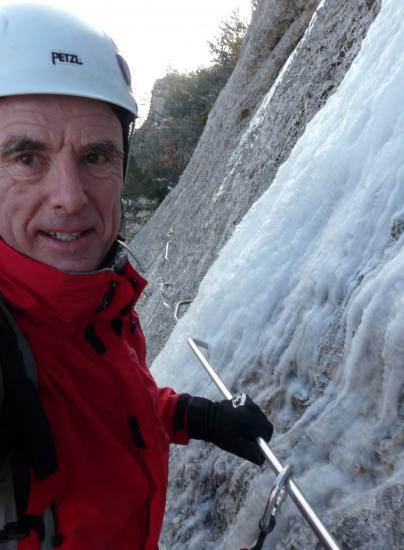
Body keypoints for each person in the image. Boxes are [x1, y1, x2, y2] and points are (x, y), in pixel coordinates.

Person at [0, 4, 273, 549]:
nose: (71, 198)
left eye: (96, 155)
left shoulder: (100, 308)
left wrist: (197, 417)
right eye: (27, 157)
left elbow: (109, 407)